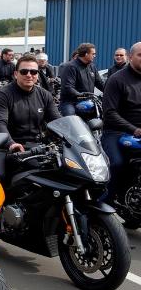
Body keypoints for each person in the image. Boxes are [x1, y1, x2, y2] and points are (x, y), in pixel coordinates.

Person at [0, 53, 60, 153]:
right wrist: (11, 144)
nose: (29, 75)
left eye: (34, 72)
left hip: (39, 147)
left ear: (37, 75)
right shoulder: (1, 95)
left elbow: (56, 120)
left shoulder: (45, 95)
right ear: (16, 74)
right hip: (9, 147)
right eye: (24, 71)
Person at [101, 42, 141, 205]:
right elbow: (109, 113)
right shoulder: (117, 79)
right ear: (130, 57)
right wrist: (134, 129)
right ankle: (104, 204)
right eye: (140, 55)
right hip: (117, 132)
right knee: (116, 164)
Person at [58, 43, 104, 116]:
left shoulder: (92, 66)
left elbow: (99, 82)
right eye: (93, 54)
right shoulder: (71, 67)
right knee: (71, 120)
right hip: (70, 102)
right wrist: (80, 94)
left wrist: (109, 91)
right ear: (86, 54)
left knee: (101, 114)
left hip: (88, 101)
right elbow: (68, 87)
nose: (94, 56)